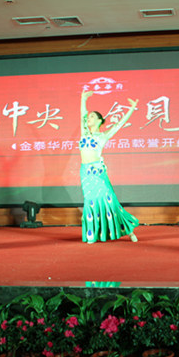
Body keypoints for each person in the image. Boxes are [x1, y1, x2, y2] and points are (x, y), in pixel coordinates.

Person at [79, 91, 139, 243]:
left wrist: (132, 109)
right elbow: (82, 116)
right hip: (86, 173)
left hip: (98, 173)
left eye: (92, 116)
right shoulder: (84, 133)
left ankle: (129, 230)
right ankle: (93, 234)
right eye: (89, 117)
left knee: (109, 202)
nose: (89, 118)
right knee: (90, 202)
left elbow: (120, 124)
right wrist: (83, 99)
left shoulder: (103, 136)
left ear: (100, 121)